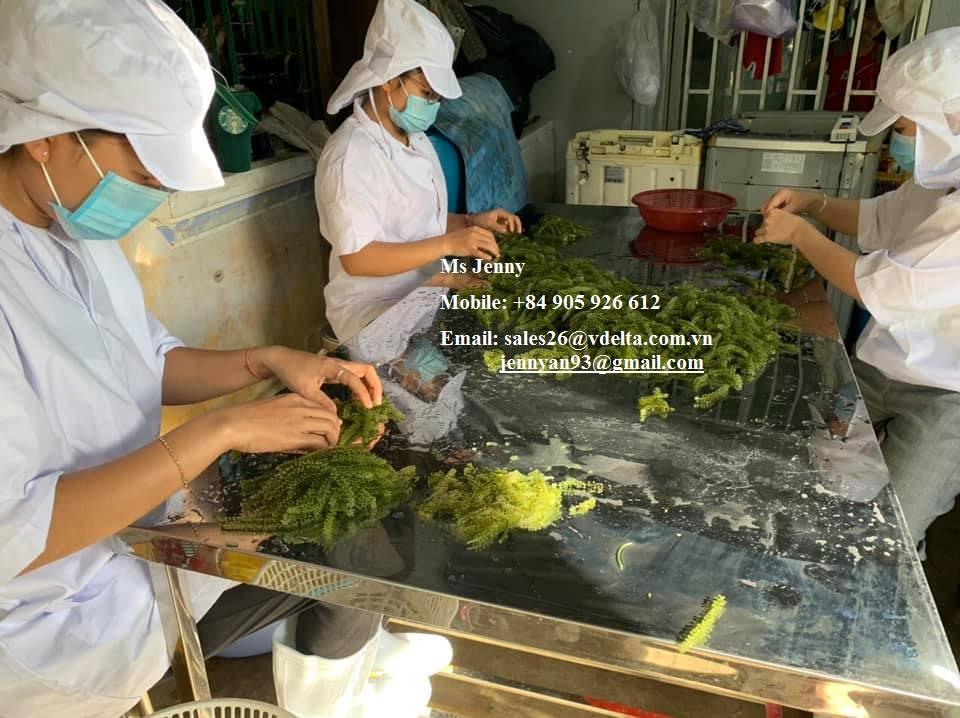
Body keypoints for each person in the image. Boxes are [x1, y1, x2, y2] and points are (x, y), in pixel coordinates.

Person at [0, 2, 446, 717]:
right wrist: (224, 430)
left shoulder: (72, 236)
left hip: (131, 537)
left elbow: (147, 362)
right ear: (47, 137)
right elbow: (17, 537)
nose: (151, 198)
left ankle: (350, 673)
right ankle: (332, 699)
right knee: (342, 556)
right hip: (53, 621)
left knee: (358, 520)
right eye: (143, 173)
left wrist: (267, 360)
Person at [757, 27, 960, 556]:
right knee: (827, 484)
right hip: (879, 364)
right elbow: (875, 219)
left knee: (895, 527)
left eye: (906, 128)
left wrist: (801, 236)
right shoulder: (939, 179)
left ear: (952, 122)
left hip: (947, 395)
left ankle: (885, 591)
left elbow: (879, 289)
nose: (898, 141)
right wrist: (814, 204)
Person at [315, 0, 523, 347]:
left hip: (421, 295)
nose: (432, 105)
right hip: (373, 317)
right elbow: (358, 258)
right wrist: (450, 244)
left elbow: (416, 221)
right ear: (388, 80)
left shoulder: (416, 139)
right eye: (426, 93)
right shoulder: (351, 156)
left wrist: (471, 222)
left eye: (437, 97)